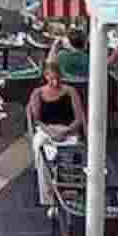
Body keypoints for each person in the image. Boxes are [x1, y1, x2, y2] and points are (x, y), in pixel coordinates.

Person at [26, 60, 86, 208]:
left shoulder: (70, 92)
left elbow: (79, 118)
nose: (55, 82)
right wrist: (50, 131)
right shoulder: (38, 93)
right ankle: (48, 197)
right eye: (52, 78)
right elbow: (37, 120)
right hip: (47, 130)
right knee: (43, 153)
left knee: (70, 154)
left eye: (58, 78)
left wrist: (67, 130)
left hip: (68, 130)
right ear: (46, 77)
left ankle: (70, 191)